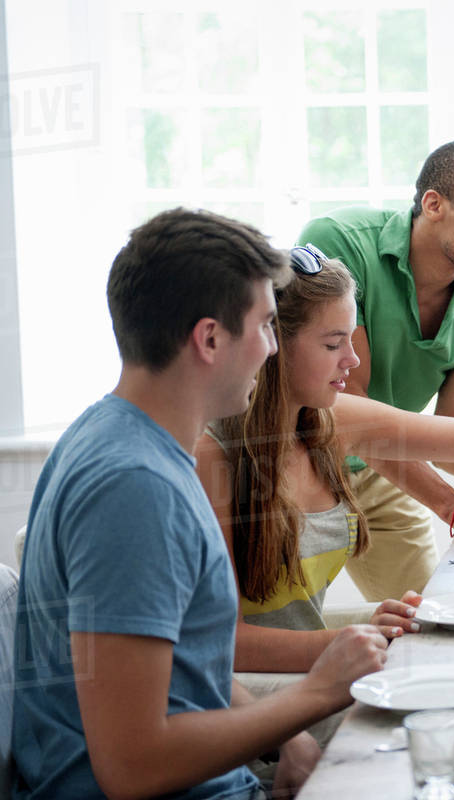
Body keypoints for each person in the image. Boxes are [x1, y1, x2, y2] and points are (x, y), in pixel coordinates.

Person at [12, 209, 389, 799]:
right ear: (210, 338)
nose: (271, 349)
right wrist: (314, 695)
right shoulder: (134, 488)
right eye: (266, 325)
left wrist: (292, 737)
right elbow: (132, 767)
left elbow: (193, 652)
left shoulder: (126, 436)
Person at [195, 253, 454, 672]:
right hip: (242, 687)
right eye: (332, 343)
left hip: (306, 667)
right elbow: (226, 645)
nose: (353, 359)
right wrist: (352, 638)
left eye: (351, 338)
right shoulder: (211, 454)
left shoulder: (329, 419)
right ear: (272, 345)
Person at [297, 140, 454, 600]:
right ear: (434, 204)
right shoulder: (338, 243)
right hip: (293, 461)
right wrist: (451, 503)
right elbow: (347, 405)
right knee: (280, 629)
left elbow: (452, 437)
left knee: (430, 616)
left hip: (377, 469)